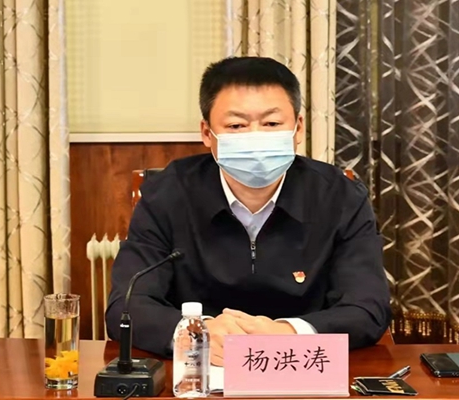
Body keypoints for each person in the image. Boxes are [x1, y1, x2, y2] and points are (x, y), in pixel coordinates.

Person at [106, 56, 391, 366]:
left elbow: (367, 308)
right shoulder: (168, 194)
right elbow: (126, 305)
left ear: (298, 128)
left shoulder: (340, 196)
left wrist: (289, 333)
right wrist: (194, 332)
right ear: (207, 133)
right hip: (199, 369)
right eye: (236, 125)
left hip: (302, 367)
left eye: (271, 124)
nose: (255, 137)